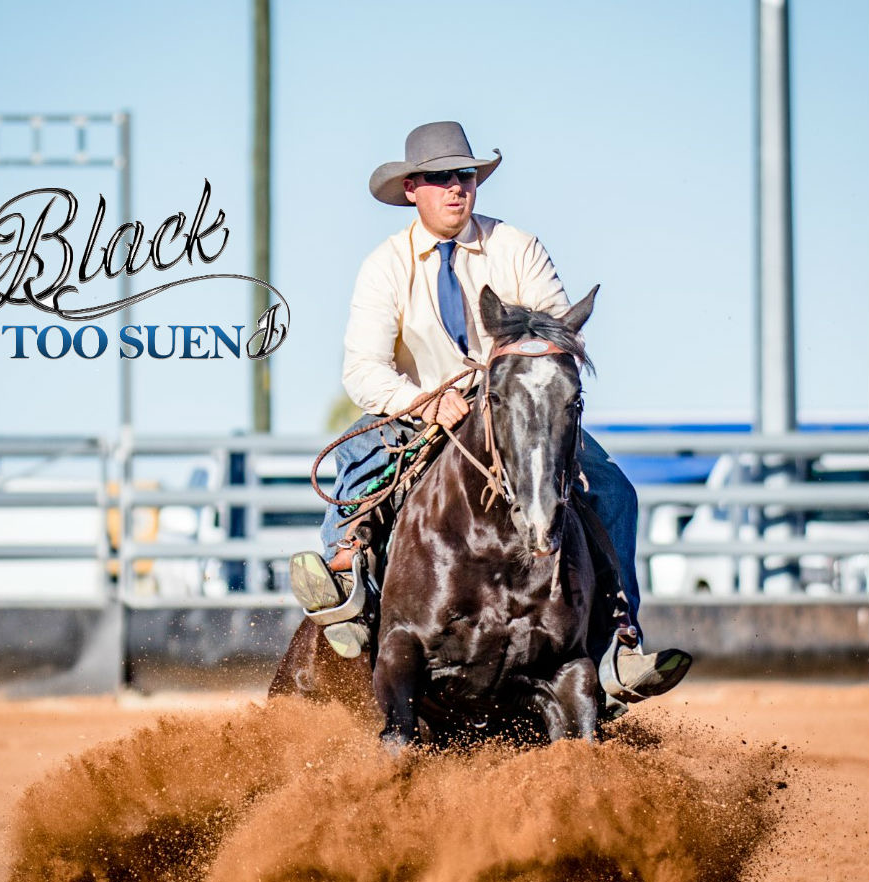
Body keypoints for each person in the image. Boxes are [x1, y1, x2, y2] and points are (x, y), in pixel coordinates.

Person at [289, 121, 690, 704]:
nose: (457, 187)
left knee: (613, 491)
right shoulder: (386, 265)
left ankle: (619, 635)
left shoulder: (517, 247)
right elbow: (364, 368)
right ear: (411, 189)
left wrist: (518, 376)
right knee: (359, 454)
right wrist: (426, 401)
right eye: (440, 178)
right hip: (421, 410)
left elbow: (558, 331)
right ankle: (348, 581)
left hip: (519, 412)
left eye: (465, 175)